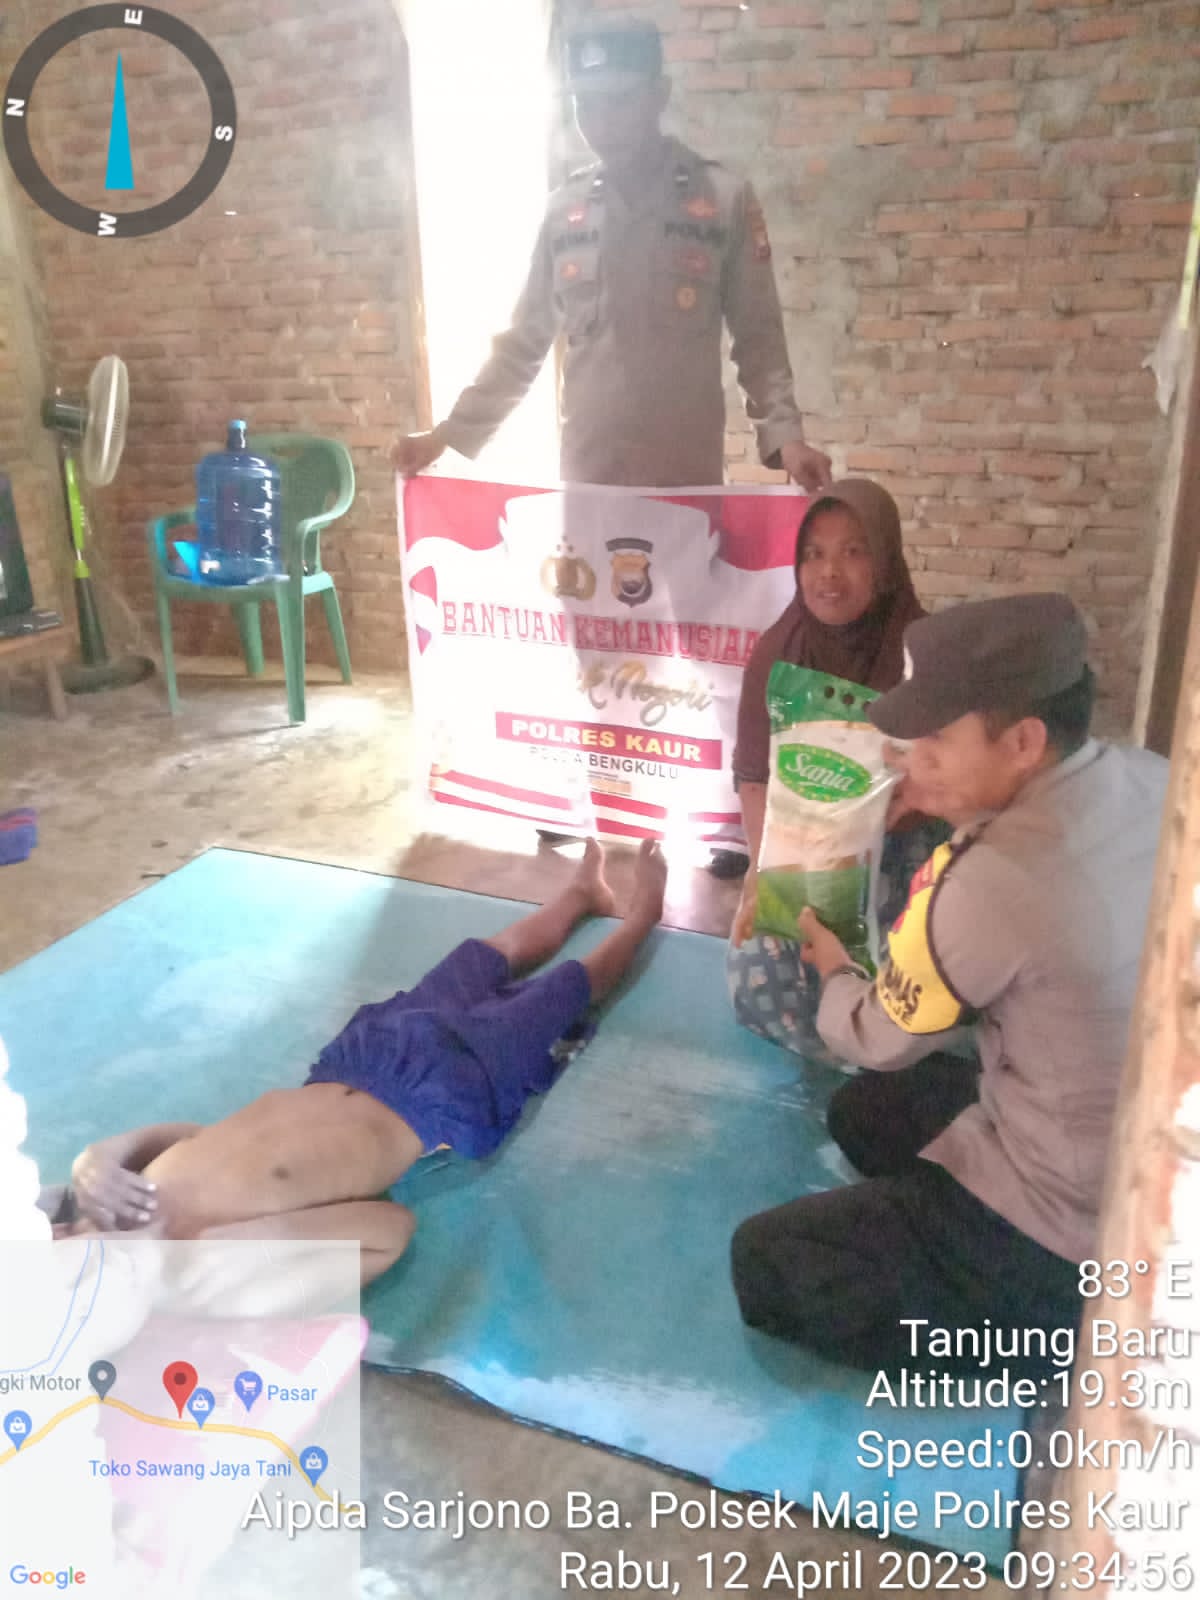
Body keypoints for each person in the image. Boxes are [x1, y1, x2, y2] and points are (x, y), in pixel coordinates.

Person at [730, 593, 1169, 1374]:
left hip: (1072, 1229)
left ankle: (1063, 1329)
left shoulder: (992, 880)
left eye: (936, 738)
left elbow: (875, 1036)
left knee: (768, 1261)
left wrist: (834, 966)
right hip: (1144, 1165)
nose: (909, 758)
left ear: (1024, 741)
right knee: (864, 1113)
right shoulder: (1150, 777)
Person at [57, 841, 668, 1287]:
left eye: (64, 1238)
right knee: (566, 990)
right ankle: (641, 918)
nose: (75, 1238)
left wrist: (102, 1155)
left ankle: (581, 896)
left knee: (485, 956)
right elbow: (389, 1231)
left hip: (363, 1057)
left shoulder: (114, 1200)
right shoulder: (215, 1266)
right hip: (440, 1096)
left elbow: (194, 1136)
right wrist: (249, 1242)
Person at [392, 20, 832, 494]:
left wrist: (786, 439)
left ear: (659, 95)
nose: (602, 124)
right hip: (589, 484)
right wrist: (448, 435)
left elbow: (759, 340)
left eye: (620, 101)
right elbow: (523, 345)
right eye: (586, 105)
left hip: (683, 482)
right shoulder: (565, 212)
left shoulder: (722, 201)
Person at [724, 479, 940, 1060]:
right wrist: (761, 875)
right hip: (799, 850)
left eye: (853, 552)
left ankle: (882, 1043)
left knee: (909, 982)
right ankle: (847, 1050)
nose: (829, 573)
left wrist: (896, 806)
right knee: (757, 982)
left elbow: (952, 777)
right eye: (814, 554)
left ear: (884, 563)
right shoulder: (777, 652)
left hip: (900, 849)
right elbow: (753, 777)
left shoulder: (925, 659)